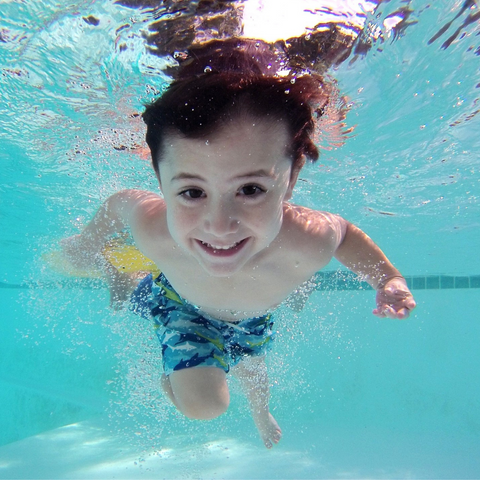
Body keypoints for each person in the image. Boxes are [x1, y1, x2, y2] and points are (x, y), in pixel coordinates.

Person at [61, 39, 416, 449]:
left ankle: (260, 412)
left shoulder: (308, 237)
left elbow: (347, 235)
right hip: (180, 308)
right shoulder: (154, 228)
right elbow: (120, 203)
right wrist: (89, 242)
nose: (220, 226)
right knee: (204, 405)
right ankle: (126, 283)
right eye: (192, 193)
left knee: (252, 368)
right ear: (160, 182)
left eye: (250, 189)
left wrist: (387, 278)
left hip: (251, 318)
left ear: (292, 176)